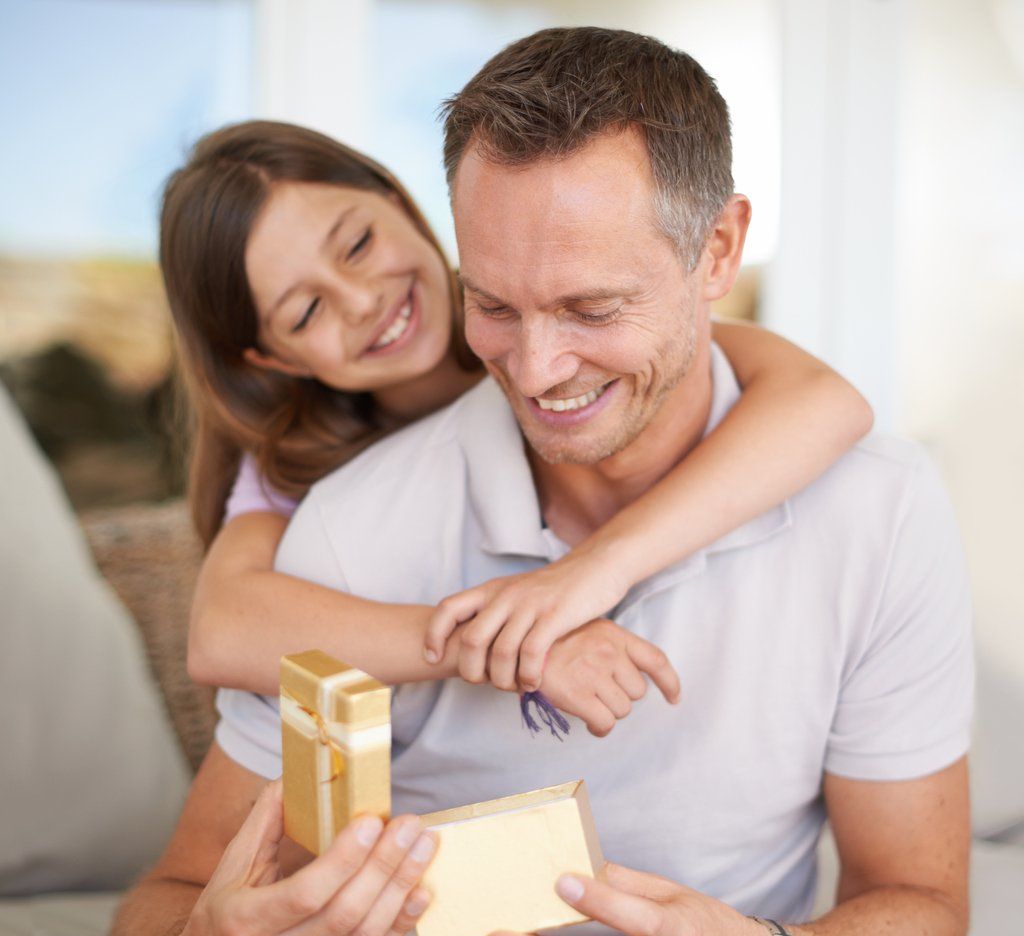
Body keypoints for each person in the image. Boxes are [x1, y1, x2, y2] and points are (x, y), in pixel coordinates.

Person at [109, 27, 973, 936]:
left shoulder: (873, 504)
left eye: (592, 307)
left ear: (718, 251)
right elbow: (168, 902)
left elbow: (921, 919)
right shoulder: (341, 524)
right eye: (495, 307)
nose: (538, 368)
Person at [165, 120, 871, 736]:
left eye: (356, 246)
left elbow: (825, 401)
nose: (361, 299)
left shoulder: (547, 315)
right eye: (305, 313)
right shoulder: (296, 464)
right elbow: (222, 630)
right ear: (268, 356)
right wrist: (508, 638)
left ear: (394, 198)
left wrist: (587, 575)